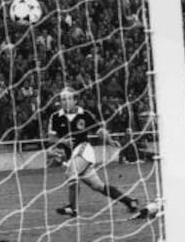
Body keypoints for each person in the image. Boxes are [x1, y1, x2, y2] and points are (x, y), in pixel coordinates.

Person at [48, 87, 139, 217]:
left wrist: (110, 141)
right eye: (62, 99)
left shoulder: (85, 114)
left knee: (71, 173)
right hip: (72, 157)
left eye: (68, 98)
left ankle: (72, 208)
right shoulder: (55, 117)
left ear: (75, 100)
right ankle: (130, 202)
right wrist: (63, 142)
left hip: (84, 150)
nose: (65, 102)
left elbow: (99, 130)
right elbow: (51, 137)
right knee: (98, 186)